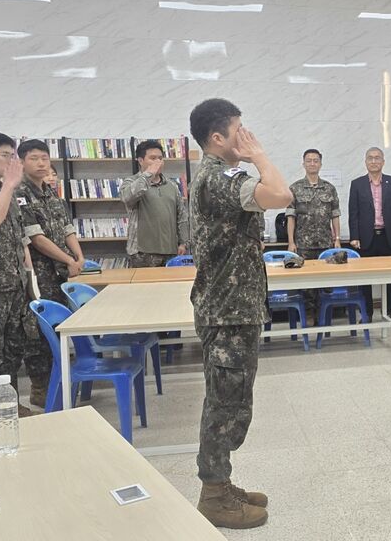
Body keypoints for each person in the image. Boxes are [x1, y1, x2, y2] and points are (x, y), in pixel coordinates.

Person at [188, 98, 292, 529]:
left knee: (232, 401)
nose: (246, 138)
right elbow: (281, 195)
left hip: (233, 307)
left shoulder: (218, 176)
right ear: (218, 137)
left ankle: (222, 483)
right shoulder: (219, 177)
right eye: (239, 131)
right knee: (224, 404)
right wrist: (260, 156)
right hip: (227, 310)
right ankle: (213, 495)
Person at [16, 139, 86, 407]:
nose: (41, 163)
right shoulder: (20, 193)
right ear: (22, 162)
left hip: (60, 272)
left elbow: (67, 228)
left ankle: (59, 382)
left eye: (44, 158)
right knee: (39, 332)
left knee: (58, 328)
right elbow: (37, 239)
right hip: (38, 274)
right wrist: (68, 259)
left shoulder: (50, 192)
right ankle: (40, 387)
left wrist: (78, 256)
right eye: (34, 158)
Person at [0, 133, 35, 423]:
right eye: (6, 155)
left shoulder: (6, 189)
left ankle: (8, 404)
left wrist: (27, 275)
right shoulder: (4, 189)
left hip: (13, 283)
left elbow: (18, 236)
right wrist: (9, 186)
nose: (12, 162)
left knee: (12, 348)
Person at [348, 147, 391, 320]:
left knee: (388, 278)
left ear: (383, 161)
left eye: (377, 158)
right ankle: (367, 314)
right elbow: (353, 213)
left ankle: (388, 313)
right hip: (365, 238)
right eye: (370, 158)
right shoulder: (357, 184)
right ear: (365, 162)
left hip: (387, 236)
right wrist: (354, 236)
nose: (374, 161)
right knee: (365, 279)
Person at [286, 149, 341, 324]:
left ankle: (324, 315)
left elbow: (335, 215)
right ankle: (309, 315)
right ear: (303, 164)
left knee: (326, 282)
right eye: (308, 160)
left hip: (325, 244)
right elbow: (291, 217)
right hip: (304, 244)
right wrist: (291, 242)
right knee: (307, 284)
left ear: (320, 164)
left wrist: (337, 239)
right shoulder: (295, 188)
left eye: (315, 160)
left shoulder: (329, 188)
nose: (312, 163)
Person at [120, 140, 189, 268]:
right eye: (152, 158)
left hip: (171, 252)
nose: (158, 162)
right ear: (140, 161)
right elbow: (127, 197)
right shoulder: (131, 182)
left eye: (160, 158)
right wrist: (148, 174)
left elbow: (181, 216)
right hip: (142, 254)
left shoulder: (172, 185)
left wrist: (184, 242)